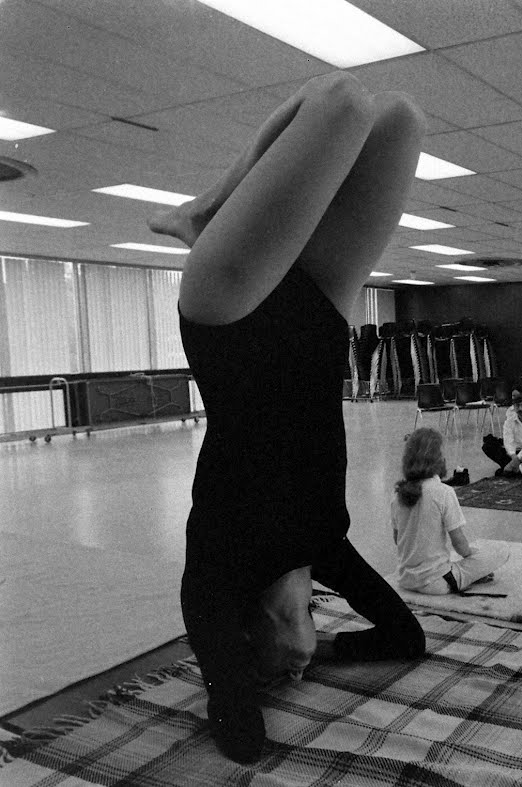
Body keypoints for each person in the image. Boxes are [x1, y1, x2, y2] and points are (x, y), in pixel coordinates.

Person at [155, 72, 427, 762]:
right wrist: (327, 647)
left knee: (339, 103)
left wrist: (250, 677)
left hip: (229, 310)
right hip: (317, 316)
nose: (298, 668)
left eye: (287, 666)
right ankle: (207, 214)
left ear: (254, 641)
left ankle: (203, 215)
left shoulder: (214, 583)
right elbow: (404, 637)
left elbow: (242, 736)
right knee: (400, 117)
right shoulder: (325, 546)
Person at [392, 429, 510, 595]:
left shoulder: (397, 494)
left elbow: (398, 539)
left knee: (458, 555)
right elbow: (459, 544)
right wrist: (472, 558)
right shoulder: (443, 491)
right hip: (437, 583)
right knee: (501, 550)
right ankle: (469, 577)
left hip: (405, 580)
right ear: (436, 459)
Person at [483, 391, 522, 476]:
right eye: (517, 406)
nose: (520, 409)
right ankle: (520, 469)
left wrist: (514, 461)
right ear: (514, 407)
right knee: (488, 445)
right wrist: (513, 457)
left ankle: (510, 468)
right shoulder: (509, 421)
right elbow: (508, 441)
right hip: (513, 455)